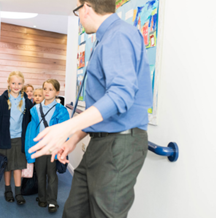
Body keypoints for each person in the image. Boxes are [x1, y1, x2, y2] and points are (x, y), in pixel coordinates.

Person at [28, 0, 153, 217]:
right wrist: (73, 139)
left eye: (77, 10)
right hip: (100, 142)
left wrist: (66, 128)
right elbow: (102, 107)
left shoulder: (119, 35)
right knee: (74, 211)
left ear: (86, 7)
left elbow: (121, 95)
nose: (79, 15)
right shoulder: (105, 39)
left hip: (119, 144)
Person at [25, 79, 70, 213]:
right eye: (45, 89)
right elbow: (31, 130)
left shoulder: (61, 110)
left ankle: (52, 201)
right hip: (39, 147)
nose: (47, 92)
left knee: (51, 174)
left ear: (57, 92)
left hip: (53, 147)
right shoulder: (35, 109)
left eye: (51, 89)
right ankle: (42, 198)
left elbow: (65, 129)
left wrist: (62, 148)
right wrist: (30, 148)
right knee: (40, 174)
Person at [0, 71, 33, 205]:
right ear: (8, 83)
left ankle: (18, 192)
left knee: (18, 167)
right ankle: (8, 190)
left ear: (22, 85)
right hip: (4, 138)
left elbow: (31, 120)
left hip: (20, 139)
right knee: (7, 167)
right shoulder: (1, 100)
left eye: (19, 83)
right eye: (13, 83)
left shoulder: (26, 101)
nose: (16, 86)